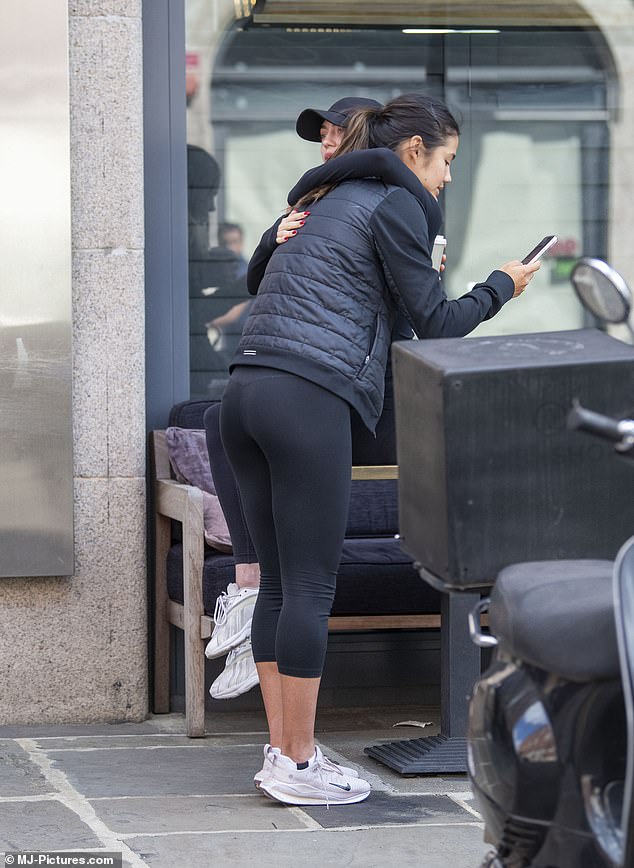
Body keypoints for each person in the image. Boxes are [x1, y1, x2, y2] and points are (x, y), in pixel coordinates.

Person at [218, 92, 540, 806]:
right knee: (307, 587)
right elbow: (436, 324)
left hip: (244, 392)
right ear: (415, 151)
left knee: (278, 585)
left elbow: (337, 298)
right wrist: (501, 285)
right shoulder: (396, 203)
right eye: (448, 160)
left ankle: (285, 751)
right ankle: (297, 765)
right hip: (306, 398)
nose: (449, 178)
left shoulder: (329, 196)